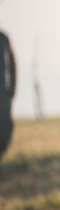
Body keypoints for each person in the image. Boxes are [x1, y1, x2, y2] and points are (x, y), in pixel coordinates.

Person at [0, 30, 14, 162]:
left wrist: (11, 90)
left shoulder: (3, 39)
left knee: (7, 125)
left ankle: (2, 150)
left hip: (3, 93)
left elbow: (12, 65)